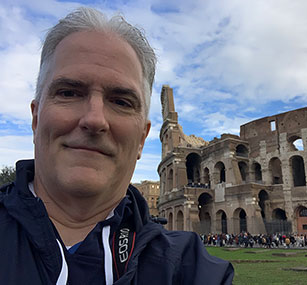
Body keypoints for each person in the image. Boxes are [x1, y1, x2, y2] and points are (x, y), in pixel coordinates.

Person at [0, 7, 234, 284]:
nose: (94, 119)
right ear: (36, 118)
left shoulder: (192, 269)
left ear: (142, 139)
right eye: (69, 92)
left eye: (121, 101)